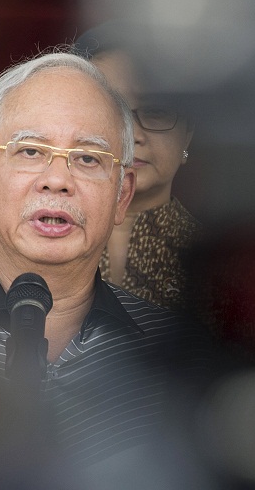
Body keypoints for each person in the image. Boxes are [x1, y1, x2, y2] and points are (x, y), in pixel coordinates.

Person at [0, 50, 214, 486]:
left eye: (87, 158)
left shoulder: (179, 360)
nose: (56, 179)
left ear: (122, 195)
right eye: (30, 150)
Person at [76, 22, 200, 312]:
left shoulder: (220, 265)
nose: (132, 135)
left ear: (188, 133)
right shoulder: (21, 251)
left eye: (156, 111)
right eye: (110, 110)